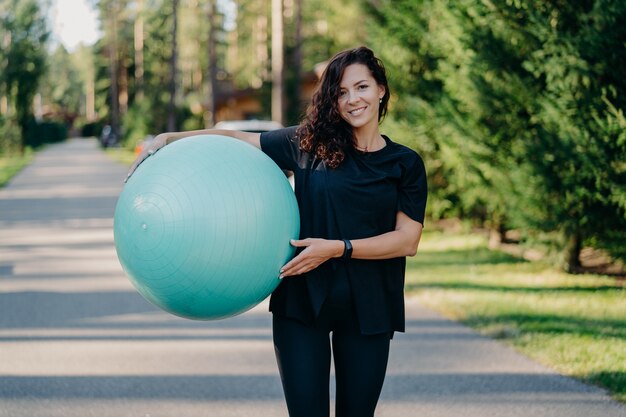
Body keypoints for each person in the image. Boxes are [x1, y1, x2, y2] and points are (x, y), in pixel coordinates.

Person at [127, 46, 427, 417]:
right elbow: (241, 141)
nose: (352, 100)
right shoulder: (309, 144)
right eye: (341, 92)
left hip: (369, 309)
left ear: (381, 89)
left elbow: (407, 241)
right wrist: (170, 138)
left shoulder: (405, 163)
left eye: (361, 87)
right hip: (302, 305)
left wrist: (337, 248)